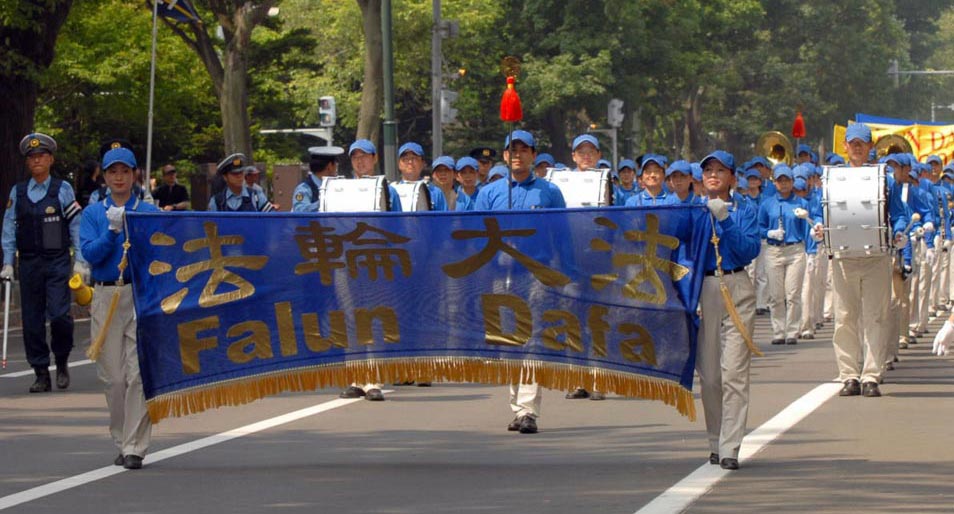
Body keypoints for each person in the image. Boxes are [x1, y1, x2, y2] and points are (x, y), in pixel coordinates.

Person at [474, 129, 566, 433]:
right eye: (513, 150)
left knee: (533, 339)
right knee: (508, 342)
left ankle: (528, 410)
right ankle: (517, 406)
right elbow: (476, 235)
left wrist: (567, 273)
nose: (518, 155)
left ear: (533, 155)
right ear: (505, 155)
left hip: (535, 274)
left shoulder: (549, 192)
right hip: (500, 276)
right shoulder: (489, 193)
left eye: (524, 150)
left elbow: (562, 235)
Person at [814, 124, 909, 398]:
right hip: (843, 256)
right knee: (844, 317)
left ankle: (871, 375)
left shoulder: (884, 179)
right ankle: (849, 375)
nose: (857, 147)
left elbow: (898, 214)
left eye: (862, 143)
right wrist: (819, 227)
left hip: (876, 257)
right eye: (852, 142)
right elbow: (821, 211)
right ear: (845, 146)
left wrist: (899, 232)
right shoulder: (832, 178)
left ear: (870, 147)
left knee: (876, 317)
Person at [80, 147, 159, 470]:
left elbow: (161, 252)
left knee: (139, 373)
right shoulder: (93, 214)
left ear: (134, 174)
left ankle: (134, 447)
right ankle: (120, 437)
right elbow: (91, 254)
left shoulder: (148, 212)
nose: (119, 178)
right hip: (106, 295)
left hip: (139, 295)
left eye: (125, 171)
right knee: (113, 377)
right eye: (113, 172)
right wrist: (112, 232)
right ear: (104, 176)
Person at [1, 133, 88, 392]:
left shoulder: (62, 189)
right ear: (27, 162)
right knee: (32, 321)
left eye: (41, 156)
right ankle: (40, 372)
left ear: (50, 159)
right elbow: (9, 228)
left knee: (60, 316)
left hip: (57, 261)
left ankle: (61, 360)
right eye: (32, 157)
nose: (37, 160)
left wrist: (80, 260)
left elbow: (76, 225)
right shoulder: (17, 193)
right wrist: (7, 262)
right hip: (29, 263)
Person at [695, 150, 760, 470]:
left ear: (732, 177)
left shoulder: (745, 209)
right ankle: (714, 440)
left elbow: (749, 250)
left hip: (736, 285)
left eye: (720, 170)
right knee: (710, 377)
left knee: (734, 372)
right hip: (704, 289)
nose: (713, 175)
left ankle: (730, 446)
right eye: (708, 170)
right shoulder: (693, 211)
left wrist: (725, 220)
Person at [758, 164, 811, 345]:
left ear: (792, 181)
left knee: (793, 293)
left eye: (787, 180)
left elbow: (808, 228)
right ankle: (778, 331)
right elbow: (759, 226)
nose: (783, 184)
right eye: (780, 180)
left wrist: (811, 247)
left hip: (795, 250)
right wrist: (769, 233)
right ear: (774, 182)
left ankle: (792, 331)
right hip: (774, 250)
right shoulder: (767, 204)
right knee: (775, 294)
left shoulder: (801, 203)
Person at [209, 153, 276, 212]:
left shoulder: (257, 196)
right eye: (235, 174)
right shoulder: (216, 202)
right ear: (225, 177)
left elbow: (271, 218)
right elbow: (210, 221)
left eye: (241, 172)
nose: (239, 176)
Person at [349, 139, 402, 212]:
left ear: (375, 158)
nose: (359, 161)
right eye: (355, 157)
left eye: (363, 156)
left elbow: (398, 218)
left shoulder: (389, 192)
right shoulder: (346, 190)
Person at [396, 142, 447, 211]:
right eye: (405, 159)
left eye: (414, 158)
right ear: (399, 164)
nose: (410, 162)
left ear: (423, 163)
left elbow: (443, 217)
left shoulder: (435, 192)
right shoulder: (392, 191)